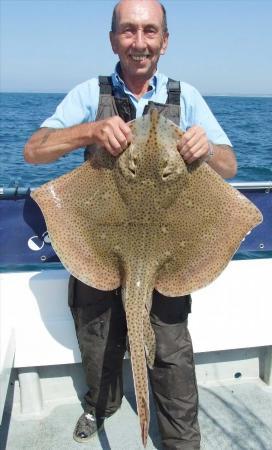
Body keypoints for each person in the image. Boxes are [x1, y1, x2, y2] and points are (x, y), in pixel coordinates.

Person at [24, 1, 237, 449]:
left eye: (149, 31)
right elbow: (34, 150)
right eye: (128, 31)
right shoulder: (89, 92)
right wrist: (90, 132)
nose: (139, 42)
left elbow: (230, 165)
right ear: (113, 39)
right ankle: (101, 407)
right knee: (97, 343)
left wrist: (207, 149)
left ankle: (180, 439)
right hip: (99, 242)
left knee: (171, 354)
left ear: (164, 40)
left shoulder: (188, 97)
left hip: (165, 254)